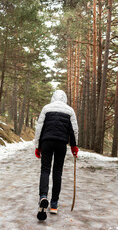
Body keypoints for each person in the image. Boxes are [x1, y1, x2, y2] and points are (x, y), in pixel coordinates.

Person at [35, 90, 79, 221]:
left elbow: (39, 128)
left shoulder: (46, 108)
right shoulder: (70, 111)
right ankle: (54, 203)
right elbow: (74, 130)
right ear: (65, 99)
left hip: (47, 142)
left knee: (45, 170)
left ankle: (43, 197)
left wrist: (37, 146)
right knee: (57, 171)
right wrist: (74, 146)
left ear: (52, 97)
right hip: (61, 143)